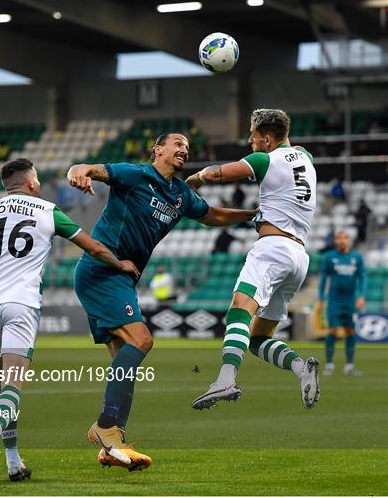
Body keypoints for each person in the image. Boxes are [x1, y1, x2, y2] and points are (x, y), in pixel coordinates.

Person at [0, 158, 138, 483]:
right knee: (13, 384)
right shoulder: (47, 211)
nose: (40, 183)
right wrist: (121, 264)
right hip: (21, 305)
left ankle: (14, 461)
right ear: (30, 182)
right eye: (38, 178)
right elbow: (94, 248)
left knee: (3, 385)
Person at [67, 133, 256, 470]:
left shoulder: (181, 194)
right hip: (102, 270)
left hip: (122, 277)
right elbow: (90, 168)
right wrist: (78, 172)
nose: (184, 150)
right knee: (142, 340)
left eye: (187, 147)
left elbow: (212, 215)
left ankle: (112, 443)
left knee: (123, 362)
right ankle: (105, 429)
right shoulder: (136, 174)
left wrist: (251, 215)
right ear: (158, 150)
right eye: (177, 145)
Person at [186, 109, 320, 411]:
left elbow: (218, 172)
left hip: (273, 248)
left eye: (254, 136)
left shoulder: (264, 160)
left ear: (268, 139)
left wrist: (196, 177)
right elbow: (294, 148)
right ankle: (301, 369)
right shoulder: (305, 158)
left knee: (240, 307)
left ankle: (226, 378)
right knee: (258, 338)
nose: (250, 141)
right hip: (299, 258)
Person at [318, 229, 367, 376]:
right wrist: (321, 298)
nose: (341, 241)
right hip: (334, 301)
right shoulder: (329, 257)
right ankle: (329, 364)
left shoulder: (356, 257)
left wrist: (362, 296)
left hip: (350, 301)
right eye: (338, 238)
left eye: (344, 238)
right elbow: (323, 279)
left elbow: (363, 277)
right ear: (335, 241)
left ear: (349, 240)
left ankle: (350, 366)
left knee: (350, 331)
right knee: (332, 330)